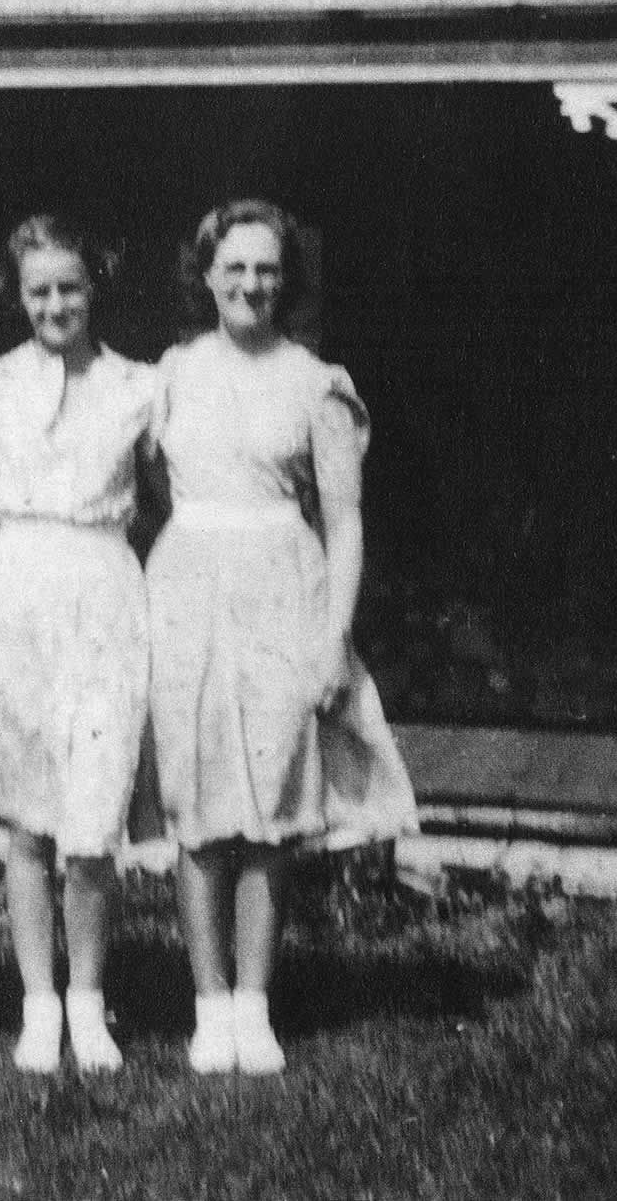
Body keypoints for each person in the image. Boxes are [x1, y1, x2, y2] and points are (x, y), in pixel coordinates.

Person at [147, 198, 418, 1074]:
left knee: (268, 808)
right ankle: (208, 1003)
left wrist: (333, 637)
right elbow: (155, 483)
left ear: (286, 279)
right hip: (188, 584)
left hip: (282, 587)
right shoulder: (174, 374)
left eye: (267, 269)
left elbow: (343, 522)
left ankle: (255, 1004)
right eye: (234, 267)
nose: (251, 284)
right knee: (197, 806)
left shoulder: (315, 381)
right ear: (207, 275)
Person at [0, 214, 157, 1073]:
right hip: (17, 589)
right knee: (29, 818)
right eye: (39, 290)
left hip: (104, 585)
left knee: (92, 817)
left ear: (94, 285)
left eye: (70, 286)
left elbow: (173, 486)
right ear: (17, 295)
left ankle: (89, 1000)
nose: (56, 303)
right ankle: (39, 1004)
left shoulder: (142, 387)